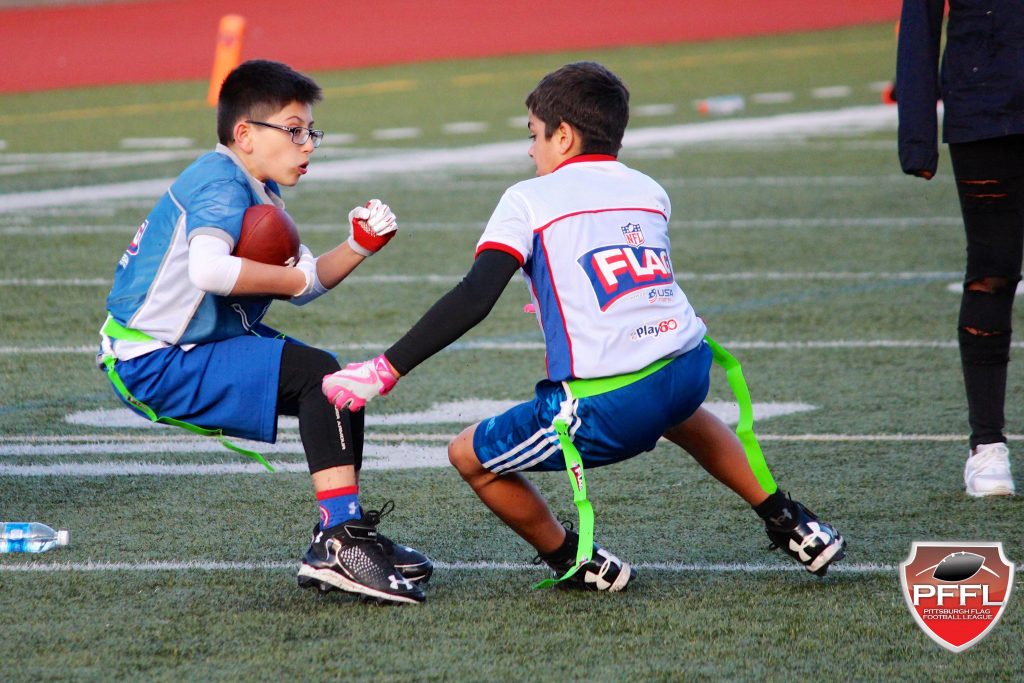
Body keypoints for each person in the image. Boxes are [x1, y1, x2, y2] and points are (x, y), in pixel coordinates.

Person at [321, 62, 846, 591]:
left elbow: (475, 296)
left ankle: (574, 559)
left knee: (469, 456)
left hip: (607, 403)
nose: (530, 150)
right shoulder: (649, 190)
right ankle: (790, 520)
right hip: (688, 370)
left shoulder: (528, 197)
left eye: (533, 135)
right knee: (677, 407)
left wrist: (385, 368)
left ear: (564, 136)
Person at [97, 59, 430, 604]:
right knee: (321, 377)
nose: (309, 145)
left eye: (311, 132)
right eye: (294, 131)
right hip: (155, 358)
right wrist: (295, 272)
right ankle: (339, 538)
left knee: (339, 385)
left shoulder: (258, 189)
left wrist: (358, 248)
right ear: (245, 135)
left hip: (192, 344)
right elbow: (208, 270)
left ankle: (344, 531)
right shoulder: (221, 180)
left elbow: (303, 287)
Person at [896, 0, 1021, 497]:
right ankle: (987, 445)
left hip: (983, 100)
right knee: (992, 272)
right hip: (986, 105)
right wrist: (917, 137)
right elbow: (919, 20)